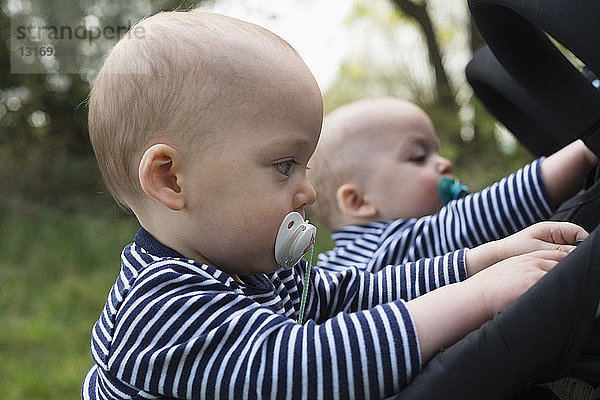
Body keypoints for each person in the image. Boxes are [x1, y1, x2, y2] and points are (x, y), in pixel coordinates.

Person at [81, 11, 588, 400]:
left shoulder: (248, 269)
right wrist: (477, 297)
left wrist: (479, 262)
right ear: (171, 179)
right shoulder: (161, 308)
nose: (308, 192)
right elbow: (312, 366)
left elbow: (349, 293)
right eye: (284, 165)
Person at [308, 97, 599, 273]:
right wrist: (587, 150)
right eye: (419, 157)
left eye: (436, 151)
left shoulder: (332, 268)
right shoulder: (386, 253)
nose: (444, 163)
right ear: (359, 202)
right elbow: (480, 215)